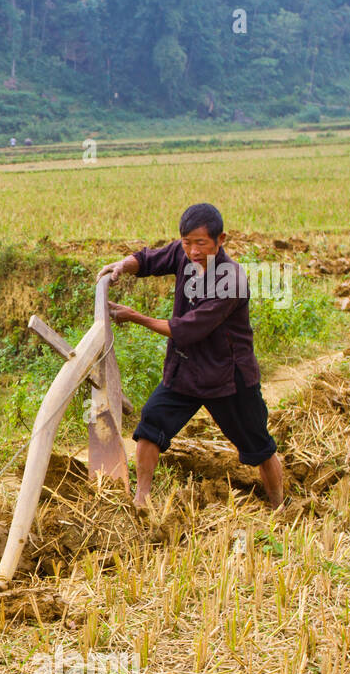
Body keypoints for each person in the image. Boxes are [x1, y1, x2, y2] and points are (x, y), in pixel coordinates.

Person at [98, 202, 284, 509]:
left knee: (258, 445)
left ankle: (279, 505)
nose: (193, 251)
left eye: (201, 243)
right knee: (151, 423)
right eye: (187, 243)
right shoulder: (183, 253)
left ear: (220, 239)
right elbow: (149, 259)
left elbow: (188, 328)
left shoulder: (231, 280)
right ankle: (141, 499)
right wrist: (122, 265)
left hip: (229, 378)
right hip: (185, 370)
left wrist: (135, 316)